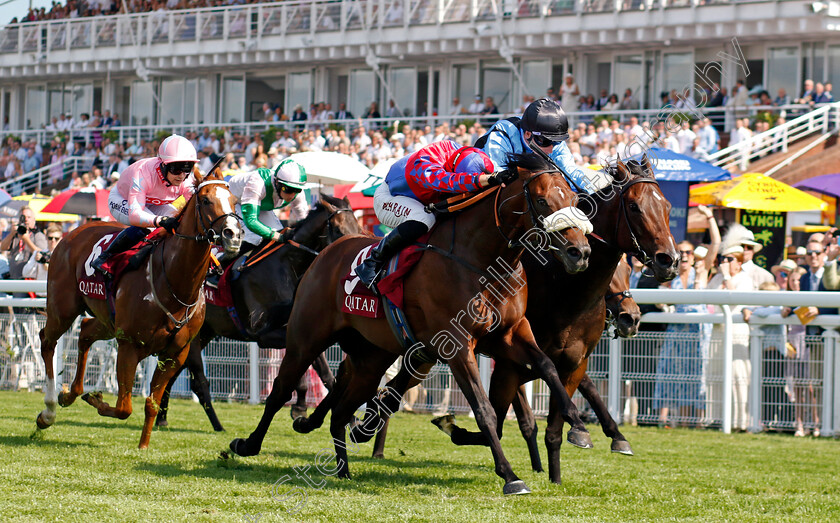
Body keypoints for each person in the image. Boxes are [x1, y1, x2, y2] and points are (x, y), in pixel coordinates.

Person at [354, 141, 501, 290]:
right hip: (388, 197)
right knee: (425, 218)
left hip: (419, 199)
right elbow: (448, 182)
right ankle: (372, 262)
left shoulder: (468, 154)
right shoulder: (426, 163)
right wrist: (481, 180)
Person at [90, 134, 198, 275]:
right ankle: (105, 257)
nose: (181, 176)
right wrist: (160, 220)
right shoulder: (143, 173)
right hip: (123, 199)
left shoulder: (187, 179)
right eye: (176, 169)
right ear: (163, 165)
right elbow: (135, 215)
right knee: (148, 224)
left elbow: (194, 210)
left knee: (180, 223)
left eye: (187, 168)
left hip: (153, 203)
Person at [476, 98, 612, 195]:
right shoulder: (501, 136)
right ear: (528, 134)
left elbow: (570, 173)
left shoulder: (554, 141)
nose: (552, 148)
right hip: (481, 182)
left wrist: (599, 190)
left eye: (556, 142)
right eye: (546, 141)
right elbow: (500, 181)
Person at [708, 245, 756, 432]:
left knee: (738, 376)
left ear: (739, 261)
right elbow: (706, 298)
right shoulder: (717, 278)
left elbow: (735, 300)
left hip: (737, 332)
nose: (724, 262)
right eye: (723, 258)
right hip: (717, 331)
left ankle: (740, 421)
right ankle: (716, 419)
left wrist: (727, 277)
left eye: (729, 259)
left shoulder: (745, 279)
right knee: (715, 374)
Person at [226, 158, 309, 254]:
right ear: (277, 183)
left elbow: (304, 220)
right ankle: (219, 262)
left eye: (297, 190)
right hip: (234, 201)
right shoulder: (257, 183)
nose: (292, 195)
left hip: (259, 205)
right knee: (254, 238)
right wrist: (277, 236)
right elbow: (251, 220)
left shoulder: (298, 194)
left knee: (277, 233)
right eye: (288, 189)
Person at [0, 206, 47, 284]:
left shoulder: (38, 235)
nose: (26, 219)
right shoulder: (16, 235)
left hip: (29, 280)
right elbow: (3, 247)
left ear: (34, 220)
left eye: (29, 217)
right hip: (14, 277)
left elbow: (42, 254)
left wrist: (26, 239)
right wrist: (11, 233)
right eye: (23, 217)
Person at [22, 224, 62, 295]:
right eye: (50, 238)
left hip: (57, 296)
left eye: (56, 238)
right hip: (41, 295)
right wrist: (35, 260)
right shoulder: (39, 253)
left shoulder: (64, 255)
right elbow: (25, 273)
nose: (53, 241)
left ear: (61, 238)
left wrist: (50, 266)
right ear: (46, 238)